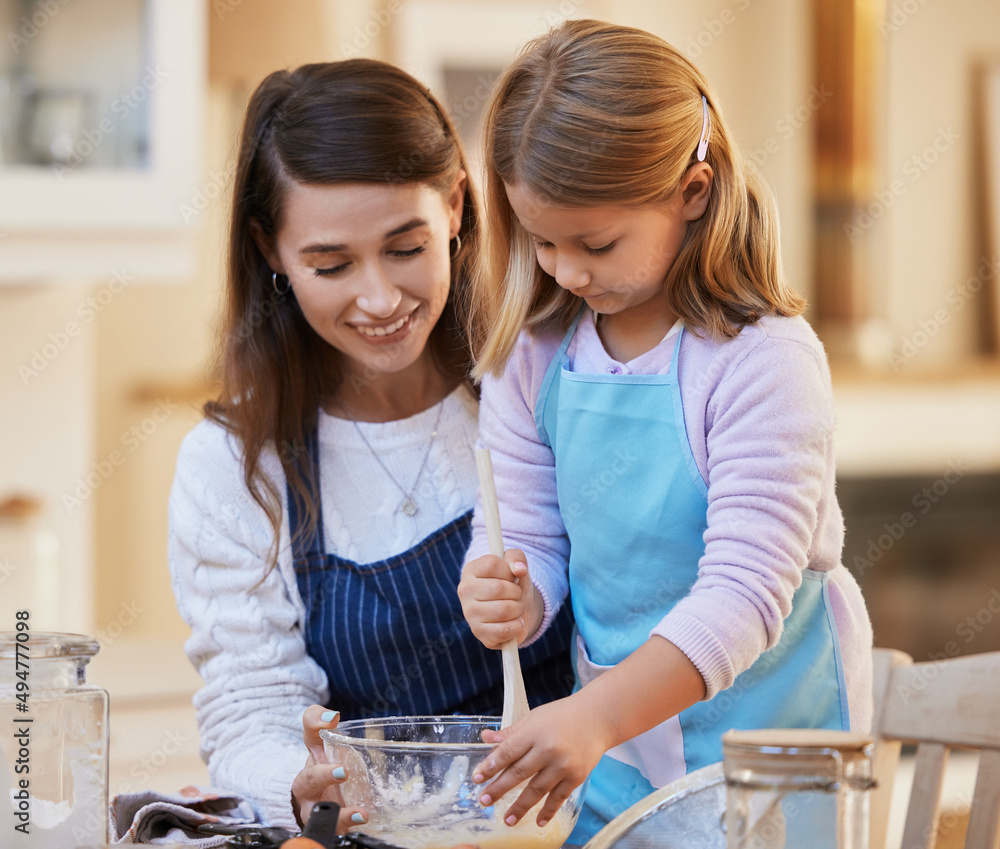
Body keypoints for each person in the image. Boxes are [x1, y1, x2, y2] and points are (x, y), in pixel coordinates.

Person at [457, 19, 874, 844]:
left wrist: (592, 718)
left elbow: (744, 595)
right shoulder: (533, 356)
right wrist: (507, 591)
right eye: (541, 242)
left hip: (770, 749)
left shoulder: (762, 362)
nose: (567, 271)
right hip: (619, 748)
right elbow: (528, 537)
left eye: (597, 242)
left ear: (693, 191)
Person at [168, 59, 573, 835]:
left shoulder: (541, 382)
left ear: (456, 206)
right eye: (331, 265)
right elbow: (248, 709)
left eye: (405, 247)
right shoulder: (234, 463)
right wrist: (300, 776)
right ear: (271, 252)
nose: (381, 299)